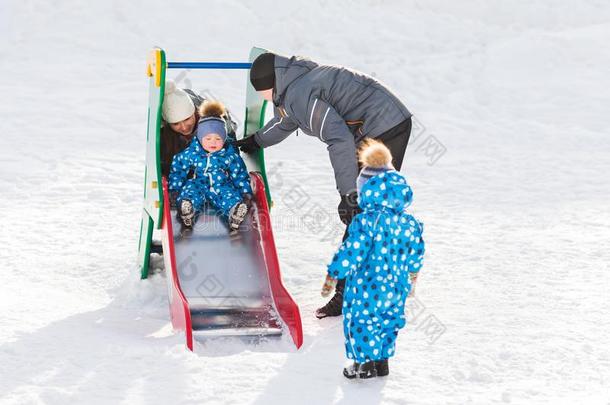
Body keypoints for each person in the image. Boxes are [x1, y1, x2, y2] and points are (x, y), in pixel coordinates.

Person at [235, 52, 413, 318]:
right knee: (367, 213)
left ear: (270, 84)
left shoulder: (298, 94)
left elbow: (338, 139)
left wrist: (349, 194)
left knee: (363, 211)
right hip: (377, 124)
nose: (261, 96)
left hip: (385, 127)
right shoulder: (296, 84)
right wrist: (256, 141)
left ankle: (348, 293)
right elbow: (286, 121)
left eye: (261, 91)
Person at [324, 139, 425, 379]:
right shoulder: (409, 222)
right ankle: (382, 362)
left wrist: (333, 274)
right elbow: (416, 251)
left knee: (363, 322)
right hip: (397, 285)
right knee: (389, 320)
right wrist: (412, 276)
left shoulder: (367, 221)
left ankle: (364, 365)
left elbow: (352, 251)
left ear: (367, 190)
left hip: (367, 286)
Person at [169, 101, 252, 232]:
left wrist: (245, 192)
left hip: (221, 184)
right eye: (208, 139)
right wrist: (174, 189)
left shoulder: (229, 155)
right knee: (190, 192)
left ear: (224, 139)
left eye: (218, 139)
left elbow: (240, 174)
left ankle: (234, 212)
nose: (213, 142)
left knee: (228, 195)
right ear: (200, 139)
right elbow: (178, 168)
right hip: (198, 182)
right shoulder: (192, 153)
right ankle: (187, 211)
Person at [161, 80, 237, 177]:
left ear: (194, 112)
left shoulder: (213, 120)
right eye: (176, 124)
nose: (184, 127)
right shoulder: (165, 135)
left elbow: (230, 132)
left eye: (187, 119)